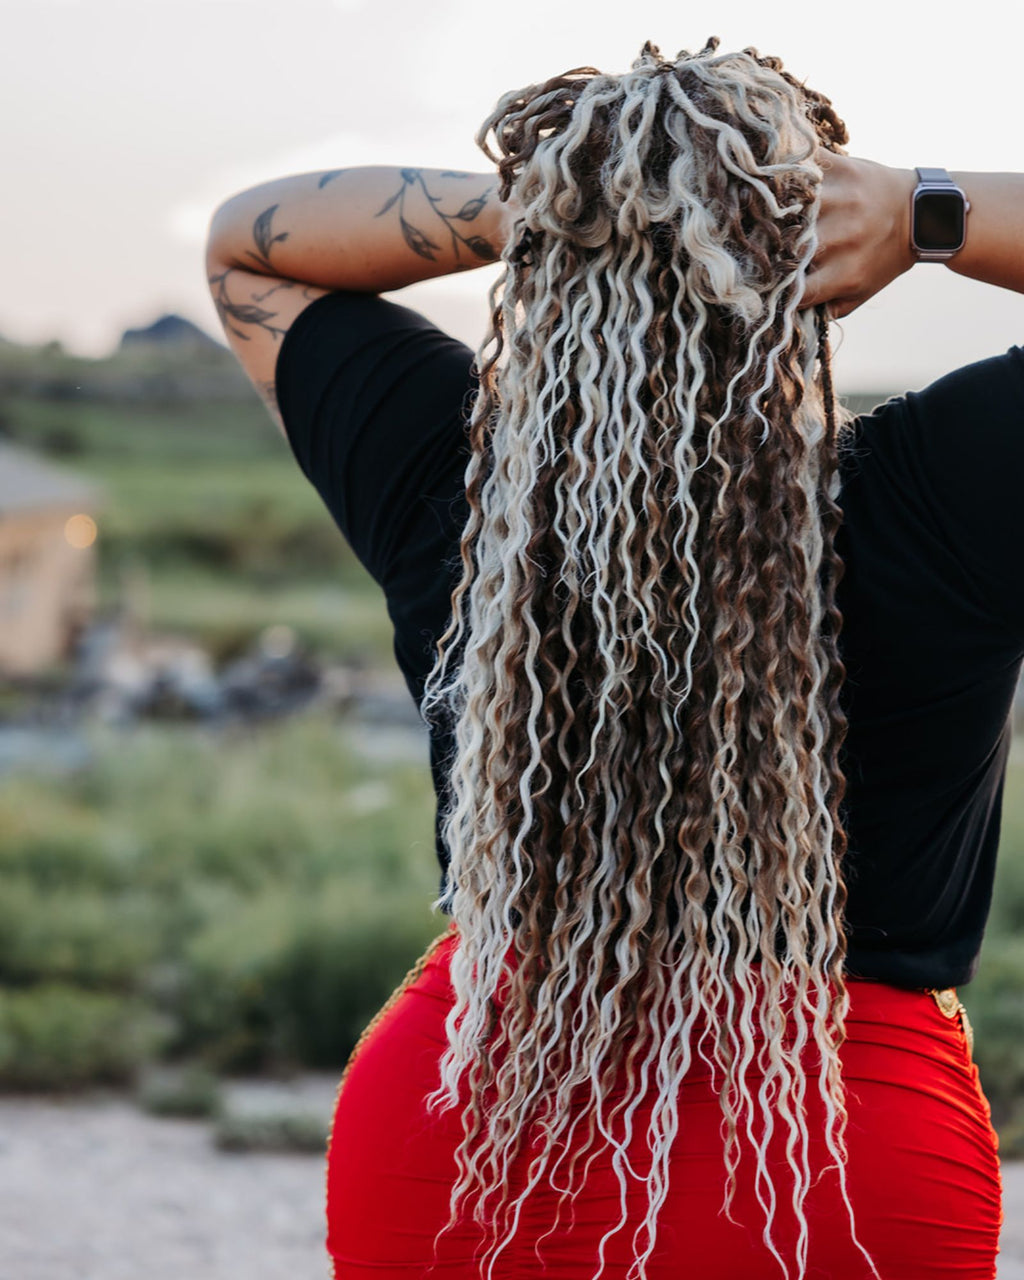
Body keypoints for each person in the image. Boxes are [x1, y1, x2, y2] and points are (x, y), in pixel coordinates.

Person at [204, 37, 1024, 1280]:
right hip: (831, 1165)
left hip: (467, 1128)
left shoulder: (463, 486)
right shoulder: (944, 491)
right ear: (807, 253)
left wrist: (558, 197)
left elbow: (248, 245)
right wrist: (926, 211)